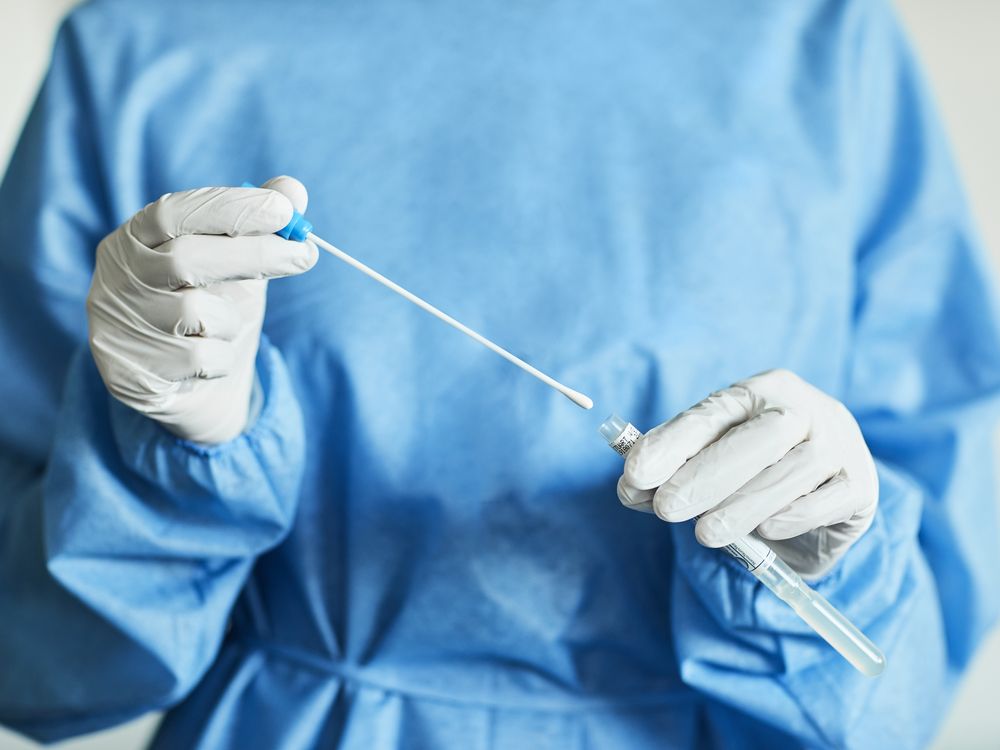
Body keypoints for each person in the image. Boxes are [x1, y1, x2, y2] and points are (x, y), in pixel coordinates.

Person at [1, 0, 998, 747]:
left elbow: (905, 676)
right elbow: (34, 661)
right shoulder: (147, 41)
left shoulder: (819, 38)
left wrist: (829, 552)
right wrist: (169, 450)